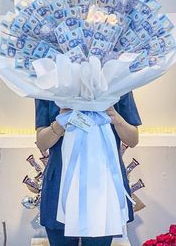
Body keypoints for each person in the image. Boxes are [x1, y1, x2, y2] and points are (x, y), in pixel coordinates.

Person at [35, 91, 141, 246]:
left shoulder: (117, 83)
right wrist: (61, 122)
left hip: (102, 186)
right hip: (60, 185)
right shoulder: (50, 86)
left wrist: (115, 118)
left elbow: (132, 139)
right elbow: (42, 143)